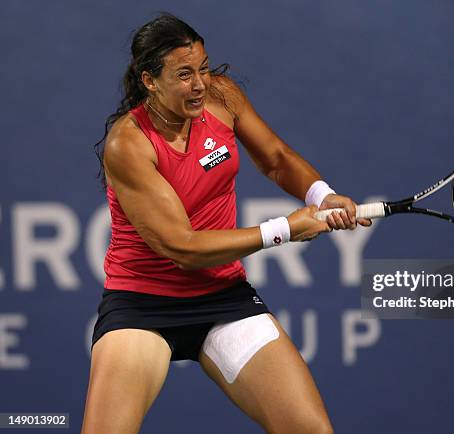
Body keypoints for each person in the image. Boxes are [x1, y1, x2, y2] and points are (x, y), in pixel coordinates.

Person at [81, 12, 371, 434]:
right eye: (183, 74)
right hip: (142, 307)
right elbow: (182, 247)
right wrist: (285, 229)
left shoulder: (221, 97)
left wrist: (320, 196)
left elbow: (275, 158)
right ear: (149, 81)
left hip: (223, 300)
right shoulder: (128, 144)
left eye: (202, 67)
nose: (200, 83)